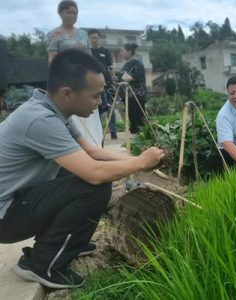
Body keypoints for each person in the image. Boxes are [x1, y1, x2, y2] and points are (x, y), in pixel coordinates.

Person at [0, 49, 164, 289]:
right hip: (6, 217)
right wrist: (140, 163)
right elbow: (94, 173)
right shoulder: (41, 120)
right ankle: (43, 264)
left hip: (17, 203)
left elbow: (93, 152)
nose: (100, 102)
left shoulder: (54, 111)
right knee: (93, 186)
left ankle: (68, 239)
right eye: (96, 96)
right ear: (67, 93)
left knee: (76, 169)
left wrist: (136, 157)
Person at [47, 0, 103, 146]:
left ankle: (93, 145)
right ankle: (73, 146)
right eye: (68, 12)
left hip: (84, 80)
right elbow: (52, 60)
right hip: (66, 81)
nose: (72, 15)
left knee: (88, 108)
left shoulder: (83, 34)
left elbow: (88, 57)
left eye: (74, 12)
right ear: (60, 13)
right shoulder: (54, 34)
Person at [88, 29, 117, 139]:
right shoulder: (88, 52)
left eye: (96, 37)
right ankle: (99, 133)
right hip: (93, 85)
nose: (94, 39)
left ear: (99, 38)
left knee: (110, 108)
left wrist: (113, 80)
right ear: (89, 39)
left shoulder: (105, 51)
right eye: (92, 38)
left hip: (107, 83)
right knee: (97, 109)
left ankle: (113, 132)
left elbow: (111, 67)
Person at [117, 43, 147, 134]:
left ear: (129, 52)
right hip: (128, 97)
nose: (121, 53)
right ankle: (136, 140)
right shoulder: (126, 64)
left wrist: (121, 77)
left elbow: (132, 77)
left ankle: (142, 139)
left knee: (138, 120)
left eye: (122, 51)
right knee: (132, 119)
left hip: (136, 96)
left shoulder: (137, 64)